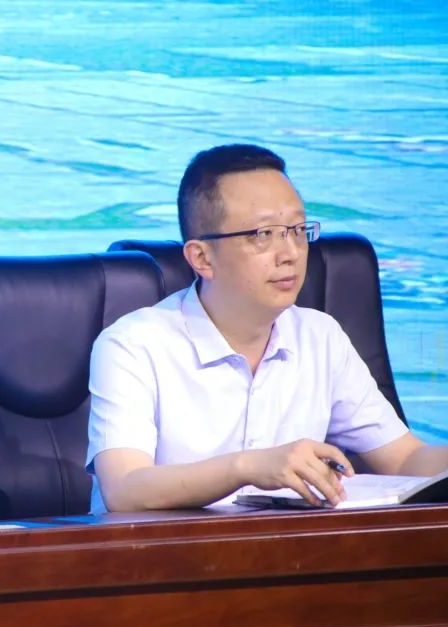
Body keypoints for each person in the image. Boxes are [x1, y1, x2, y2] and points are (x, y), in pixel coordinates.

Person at [87, 144, 447, 512]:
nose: (290, 253)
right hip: (167, 547)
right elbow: (124, 489)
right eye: (262, 234)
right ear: (202, 258)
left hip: (289, 546)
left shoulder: (320, 336)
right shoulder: (134, 344)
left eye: (297, 230)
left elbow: (405, 460)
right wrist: (248, 467)